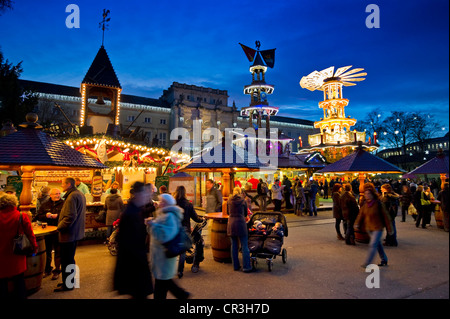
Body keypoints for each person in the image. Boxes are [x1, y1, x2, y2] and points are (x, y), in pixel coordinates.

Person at [145, 193, 190, 299]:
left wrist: (153, 225)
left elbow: (165, 235)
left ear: (167, 203)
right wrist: (151, 225)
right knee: (164, 282)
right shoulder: (164, 214)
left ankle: (182, 295)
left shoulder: (169, 216)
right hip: (161, 256)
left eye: (162, 201)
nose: (159, 204)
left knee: (161, 285)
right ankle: (182, 294)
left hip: (164, 256)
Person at [114, 182, 153, 299]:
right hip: (134, 265)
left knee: (138, 295)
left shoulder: (135, 209)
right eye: (146, 194)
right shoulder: (131, 213)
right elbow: (128, 240)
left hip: (134, 263)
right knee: (138, 294)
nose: (148, 197)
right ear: (139, 195)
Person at [0, 193, 38, 299]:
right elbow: (30, 235)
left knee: (2, 283)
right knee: (19, 281)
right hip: (17, 254)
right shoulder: (21, 216)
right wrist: (34, 248)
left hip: (1, 255)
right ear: (14, 203)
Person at [55, 177, 86, 292]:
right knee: (70, 259)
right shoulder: (79, 194)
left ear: (68, 184)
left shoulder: (72, 196)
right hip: (75, 232)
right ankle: (69, 282)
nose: (61, 185)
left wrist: (59, 227)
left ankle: (68, 285)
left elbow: (70, 216)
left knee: (66, 259)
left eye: (62, 183)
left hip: (69, 233)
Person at [355, 183, 393, 268]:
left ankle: (368, 262)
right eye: (365, 194)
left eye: (368, 194)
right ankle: (384, 259)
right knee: (378, 244)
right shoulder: (365, 205)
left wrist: (390, 228)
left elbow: (385, 216)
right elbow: (361, 215)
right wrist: (357, 223)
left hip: (377, 227)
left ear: (372, 194)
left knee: (373, 244)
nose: (367, 195)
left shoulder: (378, 204)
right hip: (369, 228)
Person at [174, 185, 205, 277]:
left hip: (174, 229)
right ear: (185, 193)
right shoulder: (188, 204)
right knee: (183, 251)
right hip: (185, 229)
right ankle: (180, 271)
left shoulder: (173, 204)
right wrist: (202, 219)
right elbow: (195, 218)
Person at [36, 188, 64, 280]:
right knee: (47, 251)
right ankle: (47, 269)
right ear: (50, 195)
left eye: (59, 193)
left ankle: (57, 270)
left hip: (58, 230)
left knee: (58, 251)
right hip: (47, 231)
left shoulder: (64, 204)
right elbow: (38, 216)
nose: (58, 195)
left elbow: (67, 215)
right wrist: (46, 216)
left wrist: (58, 216)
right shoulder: (45, 204)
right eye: (56, 194)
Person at [227, 187, 252, 273]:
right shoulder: (243, 201)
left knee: (234, 245)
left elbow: (228, 212)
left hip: (231, 224)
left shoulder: (229, 200)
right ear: (240, 192)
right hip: (241, 223)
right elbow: (245, 213)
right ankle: (246, 267)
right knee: (244, 245)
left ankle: (235, 266)